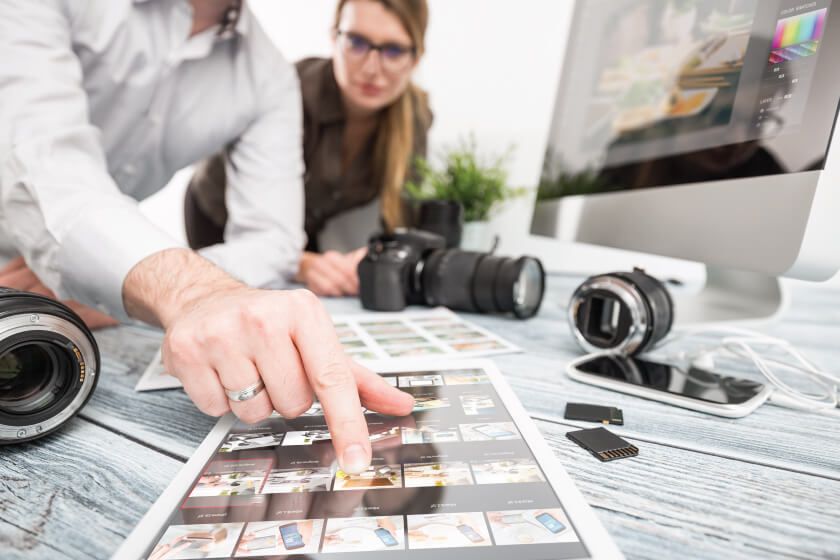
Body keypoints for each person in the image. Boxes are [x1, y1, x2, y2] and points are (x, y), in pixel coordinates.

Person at [0, 0, 413, 473]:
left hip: (64, 311)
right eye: (357, 41)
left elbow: (274, 243)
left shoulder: (268, 76)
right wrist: (180, 287)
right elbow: (43, 158)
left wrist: (127, 285)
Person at [184, 0, 432, 297]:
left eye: (393, 50)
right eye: (356, 42)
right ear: (334, 37)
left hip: (296, 237)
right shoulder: (289, 91)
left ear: (416, 57)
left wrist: (375, 259)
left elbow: (406, 218)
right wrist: (297, 262)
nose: (371, 68)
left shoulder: (414, 117)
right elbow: (253, 216)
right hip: (221, 219)